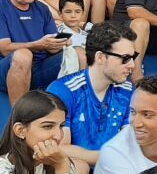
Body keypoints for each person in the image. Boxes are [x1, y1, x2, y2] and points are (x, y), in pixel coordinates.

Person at [46, 22, 136, 166]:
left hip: (114, 173)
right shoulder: (64, 90)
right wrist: (108, 158)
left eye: (133, 57)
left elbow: (129, 141)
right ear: (100, 57)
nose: (132, 65)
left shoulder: (128, 90)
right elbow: (60, 148)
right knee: (81, 169)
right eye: (125, 58)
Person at [0, 0, 73, 112]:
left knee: (76, 53)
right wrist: (38, 45)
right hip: (7, 69)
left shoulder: (42, 8)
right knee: (23, 55)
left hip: (39, 67)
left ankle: (73, 110)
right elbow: (5, 49)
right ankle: (20, 115)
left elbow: (50, 47)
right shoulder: (2, 8)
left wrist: (58, 44)